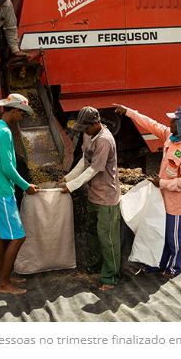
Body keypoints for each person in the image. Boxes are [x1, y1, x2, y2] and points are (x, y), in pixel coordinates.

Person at [114, 104, 181, 277]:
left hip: (178, 203)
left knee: (175, 238)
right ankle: (158, 264)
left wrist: (162, 183)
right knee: (161, 233)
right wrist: (129, 112)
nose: (170, 123)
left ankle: (175, 268)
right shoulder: (171, 137)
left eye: (174, 121)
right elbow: (151, 124)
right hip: (163, 199)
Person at [58, 106, 122, 290]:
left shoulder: (105, 141)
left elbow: (93, 169)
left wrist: (71, 186)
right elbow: (85, 161)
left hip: (107, 198)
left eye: (86, 127)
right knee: (92, 233)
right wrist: (68, 177)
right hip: (93, 194)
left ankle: (111, 277)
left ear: (96, 123)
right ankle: (94, 267)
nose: (83, 131)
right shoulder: (88, 134)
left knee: (107, 238)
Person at [0, 93, 39, 294]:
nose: (21, 118)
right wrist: (26, 186)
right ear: (15, 110)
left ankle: (4, 275)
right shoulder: (5, 133)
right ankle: (4, 284)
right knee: (18, 237)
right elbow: (7, 168)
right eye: (21, 114)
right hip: (2, 191)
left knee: (1, 233)